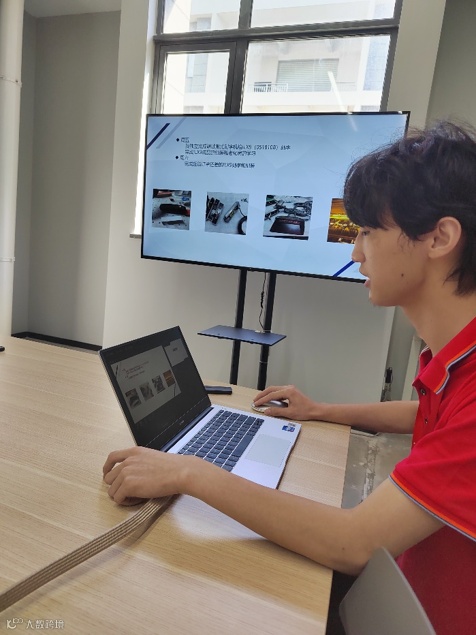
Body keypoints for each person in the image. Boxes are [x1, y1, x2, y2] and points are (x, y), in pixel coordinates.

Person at [103, 121, 476, 635]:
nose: (355, 253)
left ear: (439, 238)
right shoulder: (455, 355)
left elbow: (352, 544)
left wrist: (190, 472)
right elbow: (433, 418)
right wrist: (321, 410)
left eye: (368, 232)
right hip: (404, 586)